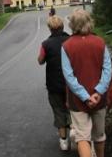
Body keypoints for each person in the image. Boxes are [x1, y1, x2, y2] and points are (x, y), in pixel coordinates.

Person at [61, 9, 112, 157]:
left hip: (77, 100)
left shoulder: (66, 46)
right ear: (89, 22)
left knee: (82, 136)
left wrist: (84, 96)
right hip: (99, 98)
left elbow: (69, 76)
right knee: (99, 134)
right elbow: (108, 70)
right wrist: (98, 92)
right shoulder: (100, 42)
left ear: (72, 25)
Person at [38, 15, 71, 151]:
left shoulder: (46, 44)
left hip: (54, 84)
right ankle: (76, 134)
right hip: (71, 83)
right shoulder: (71, 40)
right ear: (63, 27)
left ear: (50, 29)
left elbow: (40, 60)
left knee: (58, 110)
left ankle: (63, 142)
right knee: (73, 109)